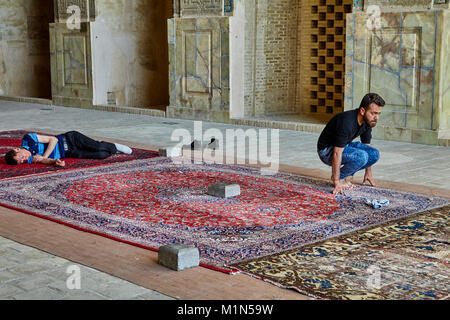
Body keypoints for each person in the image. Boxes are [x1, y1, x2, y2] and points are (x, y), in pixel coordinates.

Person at [317, 93, 385, 195]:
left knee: (374, 154)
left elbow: (367, 146)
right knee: (361, 156)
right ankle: (340, 178)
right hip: (327, 151)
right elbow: (336, 153)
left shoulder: (368, 121)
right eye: (373, 113)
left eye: (378, 114)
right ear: (362, 111)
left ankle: (346, 177)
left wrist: (368, 172)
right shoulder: (346, 122)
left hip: (344, 146)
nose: (376, 118)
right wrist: (336, 181)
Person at [4, 131, 133, 167]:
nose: (24, 159)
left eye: (21, 157)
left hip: (69, 139)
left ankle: (115, 146)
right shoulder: (30, 159)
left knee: (97, 146)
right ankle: (113, 149)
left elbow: (53, 140)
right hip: (68, 152)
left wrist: (45, 156)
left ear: (17, 149)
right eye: (22, 161)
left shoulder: (28, 139)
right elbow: (44, 161)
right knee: (100, 155)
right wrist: (55, 162)